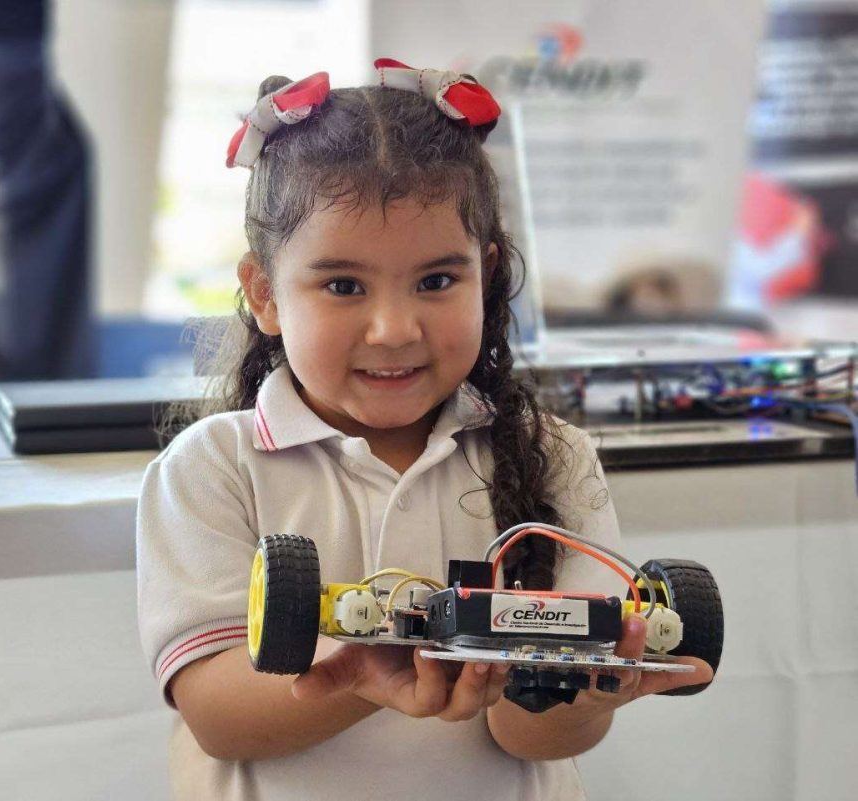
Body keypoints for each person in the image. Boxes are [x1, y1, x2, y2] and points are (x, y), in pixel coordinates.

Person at [137, 60, 713, 800]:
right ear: (265, 293)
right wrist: (363, 674)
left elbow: (533, 736)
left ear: (486, 276)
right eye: (343, 285)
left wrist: (579, 692)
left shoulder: (555, 458)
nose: (394, 328)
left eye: (437, 281)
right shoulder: (215, 468)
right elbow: (219, 718)